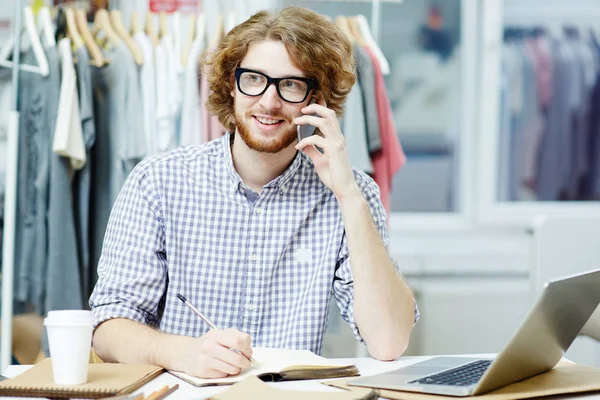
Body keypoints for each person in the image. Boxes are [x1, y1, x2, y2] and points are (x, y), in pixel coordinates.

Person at [89, 6, 418, 379]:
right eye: (254, 79)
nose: (269, 101)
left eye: (291, 84)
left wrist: (349, 196)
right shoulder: (158, 182)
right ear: (232, 84)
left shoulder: (350, 194)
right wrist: (181, 351)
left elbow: (388, 341)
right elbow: (106, 329)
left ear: (318, 101)